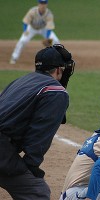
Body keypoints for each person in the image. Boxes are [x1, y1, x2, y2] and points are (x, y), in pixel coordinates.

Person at [0, 44, 75, 200]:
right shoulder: (56, 91)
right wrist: (30, 167)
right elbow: (40, 132)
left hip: (4, 147)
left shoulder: (21, 80)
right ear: (59, 70)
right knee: (37, 192)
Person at [10, 0, 60, 64]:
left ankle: (59, 58)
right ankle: (14, 57)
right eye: (41, 3)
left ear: (46, 4)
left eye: (44, 3)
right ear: (38, 4)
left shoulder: (49, 14)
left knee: (56, 40)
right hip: (31, 28)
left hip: (43, 29)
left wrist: (47, 38)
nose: (43, 5)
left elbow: (49, 28)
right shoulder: (32, 11)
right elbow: (25, 22)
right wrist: (25, 31)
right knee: (22, 40)